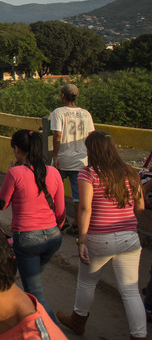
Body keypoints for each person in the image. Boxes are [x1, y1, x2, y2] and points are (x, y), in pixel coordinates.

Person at [56, 131, 147, 340]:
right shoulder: (130, 173)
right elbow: (140, 207)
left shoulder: (89, 174)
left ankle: (78, 320)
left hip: (99, 237)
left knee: (87, 282)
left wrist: (82, 240)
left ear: (91, 151)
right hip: (129, 238)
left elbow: (85, 208)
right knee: (130, 291)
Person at [0, 129, 65, 321]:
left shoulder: (15, 173)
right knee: (31, 277)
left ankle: (52, 334)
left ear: (17, 150)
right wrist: (52, 229)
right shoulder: (53, 172)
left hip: (27, 238)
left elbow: (2, 204)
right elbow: (61, 213)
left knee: (36, 296)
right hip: (53, 237)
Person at [50, 83, 95, 234]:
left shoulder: (59, 112)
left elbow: (57, 136)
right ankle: (77, 223)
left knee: (53, 190)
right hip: (81, 160)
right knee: (79, 195)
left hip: (62, 158)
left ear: (63, 96)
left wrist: (55, 156)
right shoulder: (86, 114)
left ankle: (60, 220)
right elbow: (90, 137)